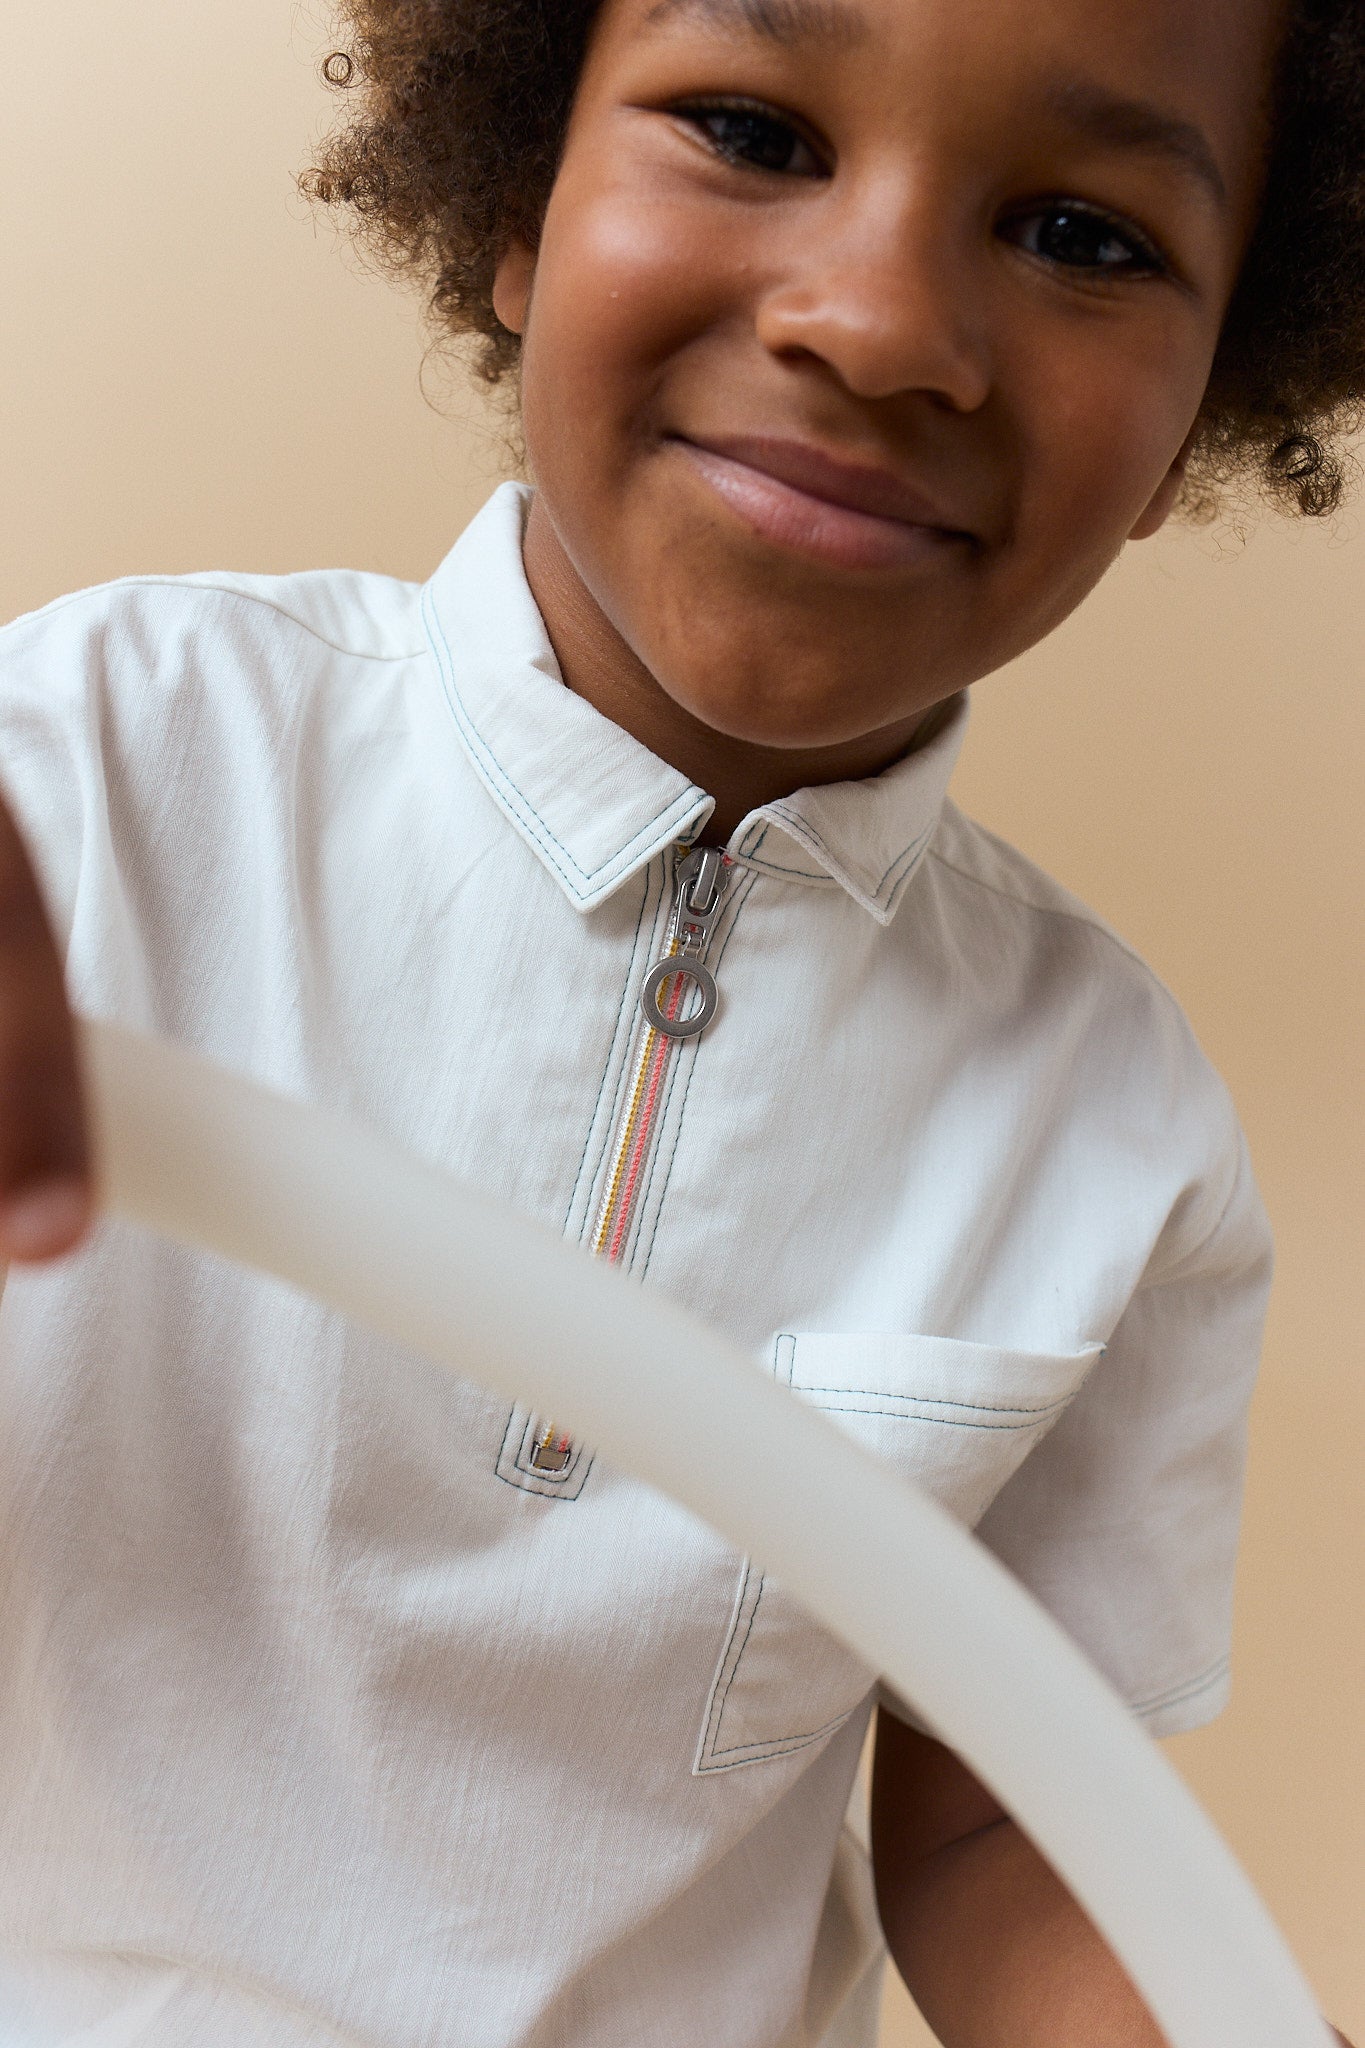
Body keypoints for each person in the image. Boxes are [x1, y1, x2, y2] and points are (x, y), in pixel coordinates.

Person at [0, 0, 1358, 2041]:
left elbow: (1004, 1829)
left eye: (1079, 236)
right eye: (745, 126)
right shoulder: (94, 766)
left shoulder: (1114, 1119)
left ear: (1203, 403)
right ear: (516, 211)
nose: (879, 322)